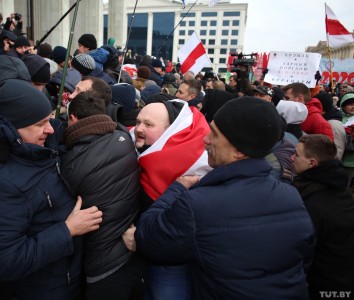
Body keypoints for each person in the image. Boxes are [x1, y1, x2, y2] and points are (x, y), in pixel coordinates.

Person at [127, 97, 315, 299]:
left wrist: (177, 188)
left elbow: (148, 237)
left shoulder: (198, 204)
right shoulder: (292, 197)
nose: (206, 139)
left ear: (239, 151)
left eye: (215, 134)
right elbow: (303, 259)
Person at [0, 79, 102, 299]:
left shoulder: (43, 152)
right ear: (13, 127)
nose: (50, 129)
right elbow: (6, 262)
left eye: (49, 119)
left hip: (66, 282)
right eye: (40, 124)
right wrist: (67, 230)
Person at [61, 91, 145, 299]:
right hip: (128, 250)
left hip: (101, 263)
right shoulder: (124, 138)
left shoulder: (70, 162)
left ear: (73, 118)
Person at [130, 99, 212, 300]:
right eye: (138, 121)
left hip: (168, 264)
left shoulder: (192, 172)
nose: (138, 129)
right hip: (139, 256)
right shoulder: (131, 151)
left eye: (148, 125)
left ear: (170, 131)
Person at [291, 134, 354, 299]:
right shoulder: (339, 187)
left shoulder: (314, 203)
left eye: (297, 155)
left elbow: (302, 248)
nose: (292, 158)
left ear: (312, 163)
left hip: (327, 283)